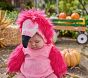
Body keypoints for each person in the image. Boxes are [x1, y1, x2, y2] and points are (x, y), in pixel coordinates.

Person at [7, 9, 67, 78]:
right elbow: (16, 59)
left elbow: (57, 61)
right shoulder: (24, 47)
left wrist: (60, 72)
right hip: (26, 74)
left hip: (46, 74)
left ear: (44, 38)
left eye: (37, 41)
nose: (33, 44)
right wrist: (12, 68)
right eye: (29, 41)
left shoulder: (49, 48)